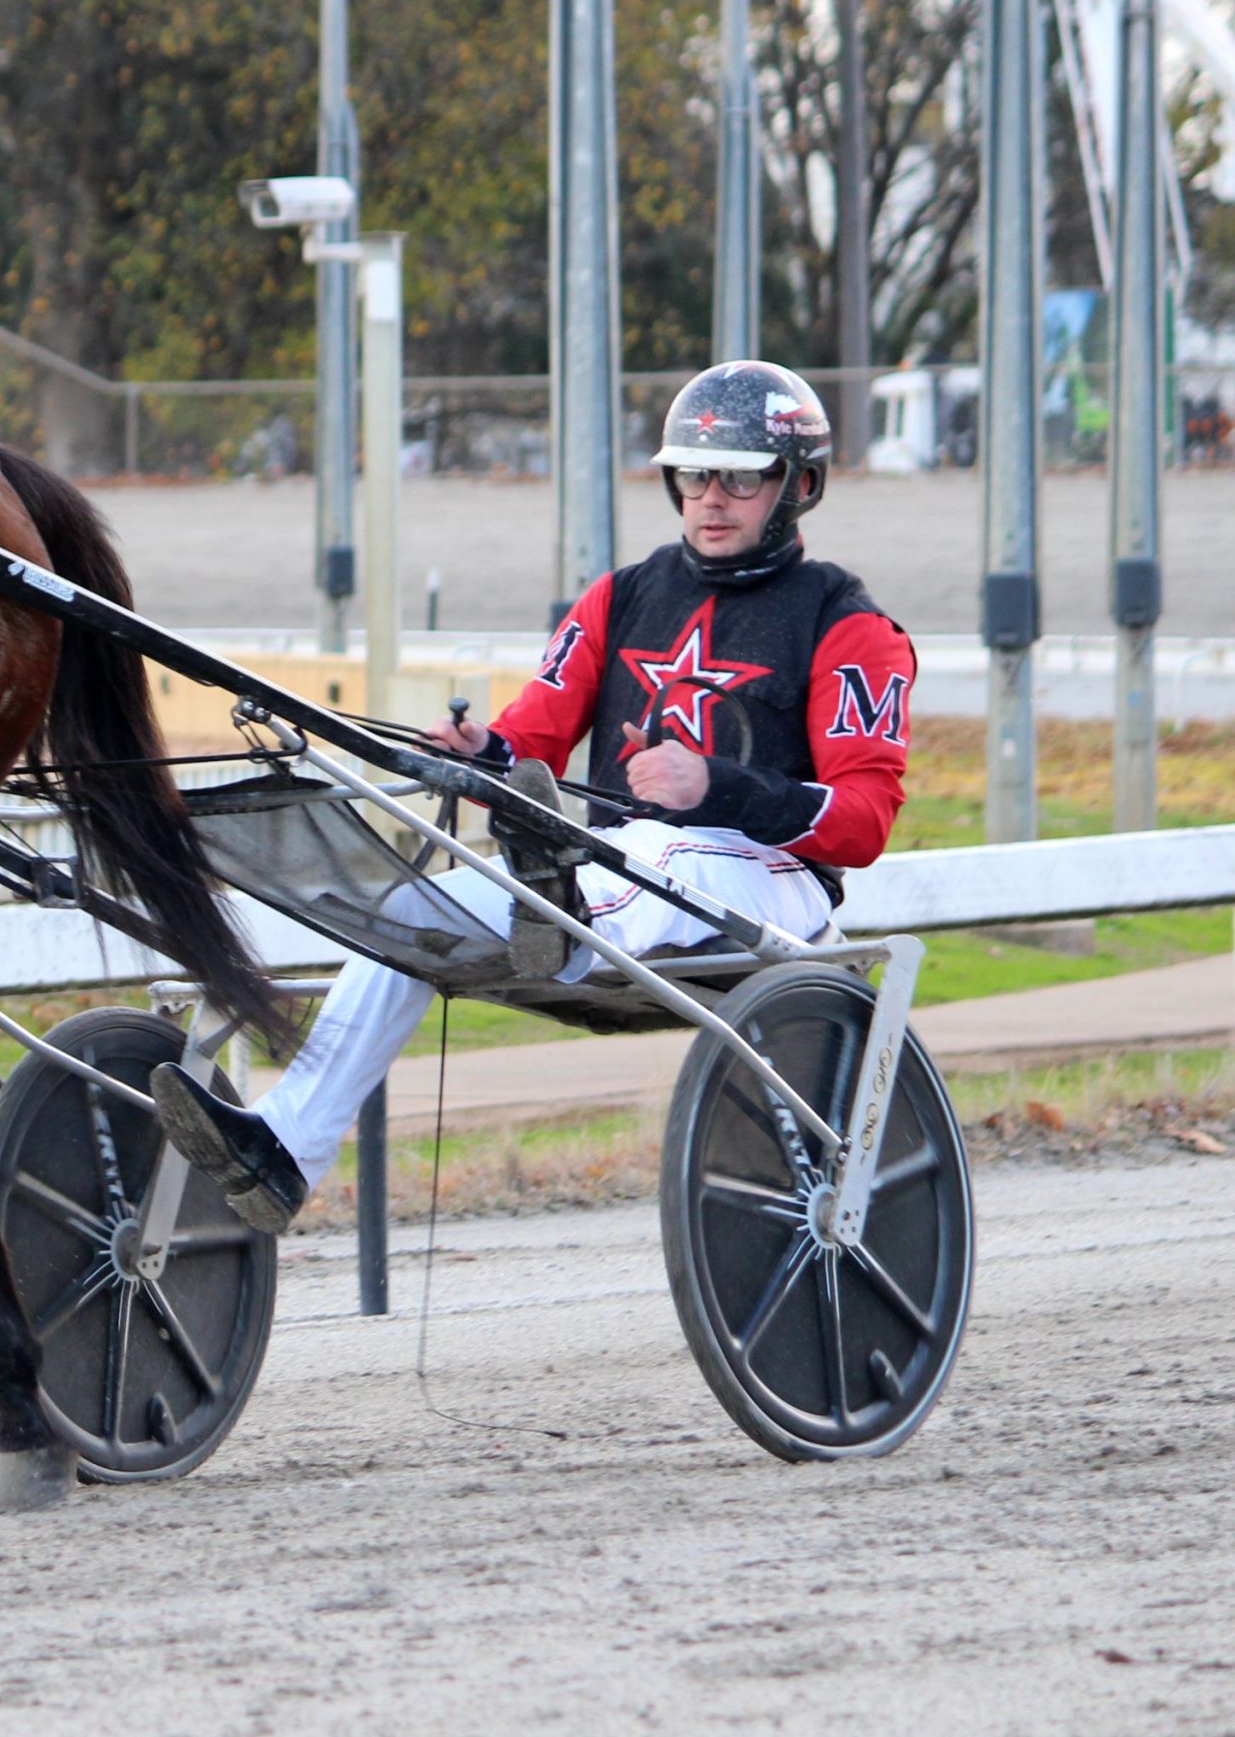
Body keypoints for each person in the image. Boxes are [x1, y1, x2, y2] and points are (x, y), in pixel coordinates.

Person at [151, 360, 918, 1233]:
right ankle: (284, 1149)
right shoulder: (622, 597)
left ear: (800, 484)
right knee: (409, 908)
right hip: (609, 883)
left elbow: (864, 822)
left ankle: (558, 911)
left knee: (653, 848)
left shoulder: (850, 626)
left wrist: (721, 785)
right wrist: (484, 751)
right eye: (694, 475)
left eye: (742, 477)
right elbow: (532, 738)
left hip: (772, 892)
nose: (712, 497)